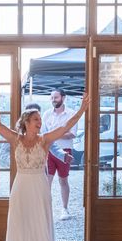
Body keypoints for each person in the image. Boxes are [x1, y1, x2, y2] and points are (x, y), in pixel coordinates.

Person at [0, 87, 90, 241]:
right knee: (20, 222)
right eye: (36, 120)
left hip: (38, 185)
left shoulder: (44, 140)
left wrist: (81, 109)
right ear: (26, 122)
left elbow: (65, 127)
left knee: (38, 223)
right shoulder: (15, 139)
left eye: (40, 120)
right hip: (20, 186)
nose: (40, 123)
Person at [42, 89, 77, 220]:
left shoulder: (72, 114)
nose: (53, 100)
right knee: (46, 181)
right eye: (51, 98)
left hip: (65, 151)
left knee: (63, 180)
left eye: (55, 97)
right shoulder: (46, 114)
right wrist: (61, 133)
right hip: (48, 150)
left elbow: (72, 134)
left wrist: (54, 135)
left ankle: (65, 209)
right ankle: (45, 209)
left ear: (63, 98)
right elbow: (43, 135)